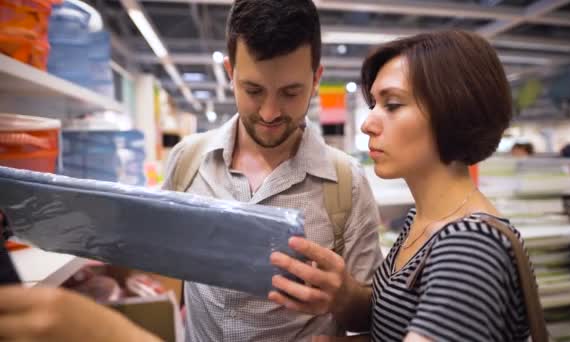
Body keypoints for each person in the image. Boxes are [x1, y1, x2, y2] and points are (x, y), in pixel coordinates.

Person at [0, 0, 383, 341]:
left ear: (316, 78)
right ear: (230, 72)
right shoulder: (187, 159)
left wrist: (344, 296)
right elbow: (162, 251)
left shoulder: (346, 184)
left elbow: (372, 315)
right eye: (253, 90)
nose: (269, 113)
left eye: (290, 92)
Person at [269, 31, 531, 341]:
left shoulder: (469, 246)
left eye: (392, 105)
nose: (368, 124)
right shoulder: (420, 222)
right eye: (374, 104)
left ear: (453, 110)